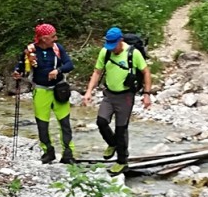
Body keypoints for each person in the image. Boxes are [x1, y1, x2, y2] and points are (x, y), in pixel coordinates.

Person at [82, 27, 152, 174]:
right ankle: (112, 144)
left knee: (121, 129)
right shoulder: (105, 52)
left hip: (125, 96)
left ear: (120, 40)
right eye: (109, 45)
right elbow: (97, 72)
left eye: (114, 45)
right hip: (109, 94)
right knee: (101, 121)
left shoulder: (134, 53)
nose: (112, 48)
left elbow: (146, 72)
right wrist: (89, 91)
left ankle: (122, 161)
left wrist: (146, 94)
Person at [13, 23, 74, 164]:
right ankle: (48, 152)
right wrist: (17, 72)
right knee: (42, 124)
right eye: (53, 36)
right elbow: (21, 66)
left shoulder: (58, 49)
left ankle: (68, 154)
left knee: (64, 123)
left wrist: (58, 71)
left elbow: (69, 64)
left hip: (59, 90)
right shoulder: (30, 51)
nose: (55, 38)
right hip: (40, 90)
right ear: (43, 38)